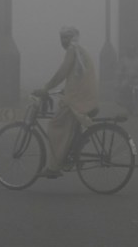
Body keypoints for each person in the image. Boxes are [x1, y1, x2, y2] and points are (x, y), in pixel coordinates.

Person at [33, 26, 98, 179]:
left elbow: (62, 73)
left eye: (66, 37)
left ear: (72, 38)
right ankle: (74, 150)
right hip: (86, 96)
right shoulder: (80, 51)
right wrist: (65, 90)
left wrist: (46, 88)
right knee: (68, 125)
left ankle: (53, 167)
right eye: (61, 37)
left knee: (55, 125)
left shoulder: (72, 50)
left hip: (78, 98)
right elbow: (76, 76)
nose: (63, 41)